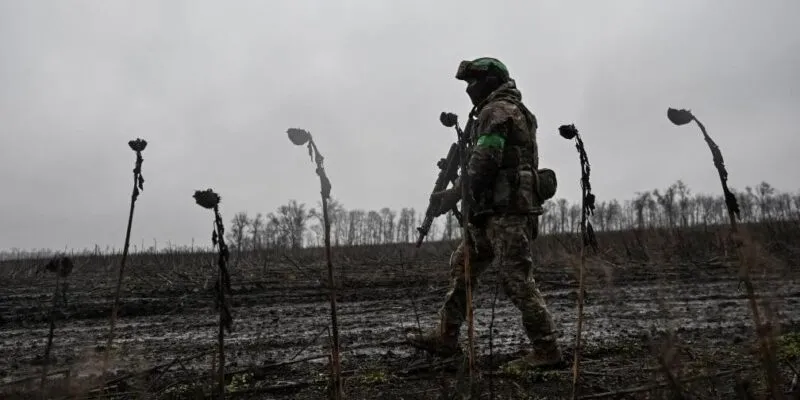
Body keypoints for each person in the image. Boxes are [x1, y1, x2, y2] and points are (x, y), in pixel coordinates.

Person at [406, 57, 563, 371]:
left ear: (491, 81)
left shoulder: (498, 110)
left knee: (516, 279)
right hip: (489, 211)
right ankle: (447, 337)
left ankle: (547, 350)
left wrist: (454, 194)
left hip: (506, 213)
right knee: (462, 267)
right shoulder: (501, 110)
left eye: (473, 82)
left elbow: (487, 159)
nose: (469, 89)